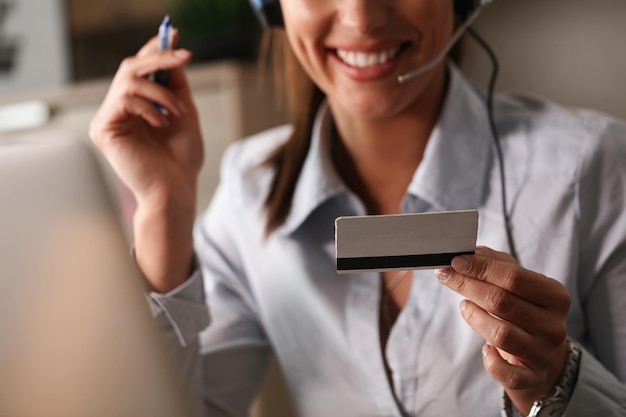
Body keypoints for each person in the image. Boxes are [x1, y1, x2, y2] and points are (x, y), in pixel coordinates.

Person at [89, 0, 626, 416]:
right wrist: (163, 206)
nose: (362, 17)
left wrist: (561, 382)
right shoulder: (249, 192)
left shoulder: (592, 165)